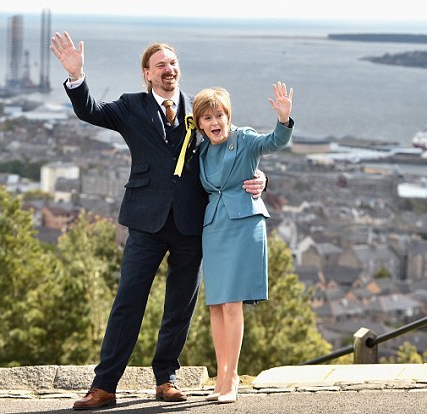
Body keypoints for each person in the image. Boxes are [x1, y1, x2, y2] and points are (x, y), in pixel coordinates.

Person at [49, 32, 267, 410]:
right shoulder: (131, 106)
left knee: (179, 306)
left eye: (173, 63)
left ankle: (166, 378)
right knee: (128, 301)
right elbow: (90, 111)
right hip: (145, 221)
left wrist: (261, 178)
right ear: (147, 74)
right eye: (160, 64)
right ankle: (104, 386)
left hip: (192, 222)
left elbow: (234, 147)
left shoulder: (199, 109)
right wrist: (76, 76)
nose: (169, 69)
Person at [193, 83, 293, 404]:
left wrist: (283, 119)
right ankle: (221, 374)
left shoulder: (244, 138)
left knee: (233, 304)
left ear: (228, 116)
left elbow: (273, 142)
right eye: (207, 117)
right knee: (217, 306)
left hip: (243, 224)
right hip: (213, 228)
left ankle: (230, 377)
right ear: (199, 123)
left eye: (219, 114)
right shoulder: (202, 150)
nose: (214, 122)